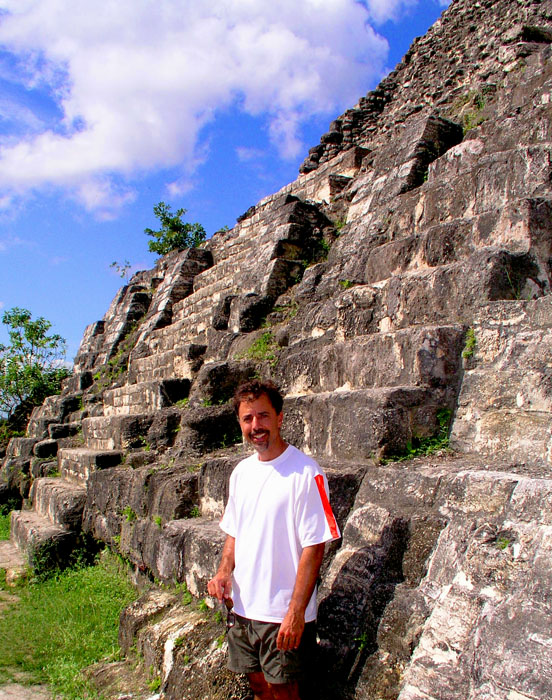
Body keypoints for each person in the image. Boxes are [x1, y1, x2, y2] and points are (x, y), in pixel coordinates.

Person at [207, 380, 340, 700]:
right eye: (248, 419)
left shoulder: (306, 473)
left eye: (263, 416)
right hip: (243, 607)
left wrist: (296, 612)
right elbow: (234, 531)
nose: (256, 426)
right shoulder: (240, 472)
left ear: (279, 418)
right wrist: (224, 572)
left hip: (281, 613)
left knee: (284, 691)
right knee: (256, 686)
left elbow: (314, 547)